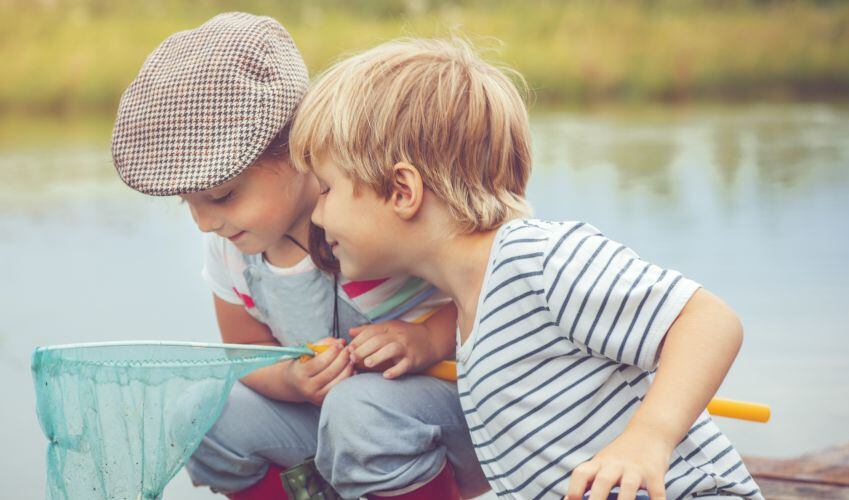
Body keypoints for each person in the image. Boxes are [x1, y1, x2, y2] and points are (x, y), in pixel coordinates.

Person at [289, 37, 763, 499]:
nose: (317, 214)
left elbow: (709, 321)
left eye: (327, 189)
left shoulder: (534, 258)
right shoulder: (471, 314)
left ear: (402, 191)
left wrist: (649, 438)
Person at [110, 13, 489, 500]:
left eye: (223, 196)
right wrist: (291, 381)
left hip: (442, 416)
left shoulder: (372, 217)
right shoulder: (230, 250)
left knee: (359, 409)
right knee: (202, 414)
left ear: (297, 149)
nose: (204, 223)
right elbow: (245, 352)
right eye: (188, 203)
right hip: (332, 421)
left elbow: (481, 291)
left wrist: (426, 340)